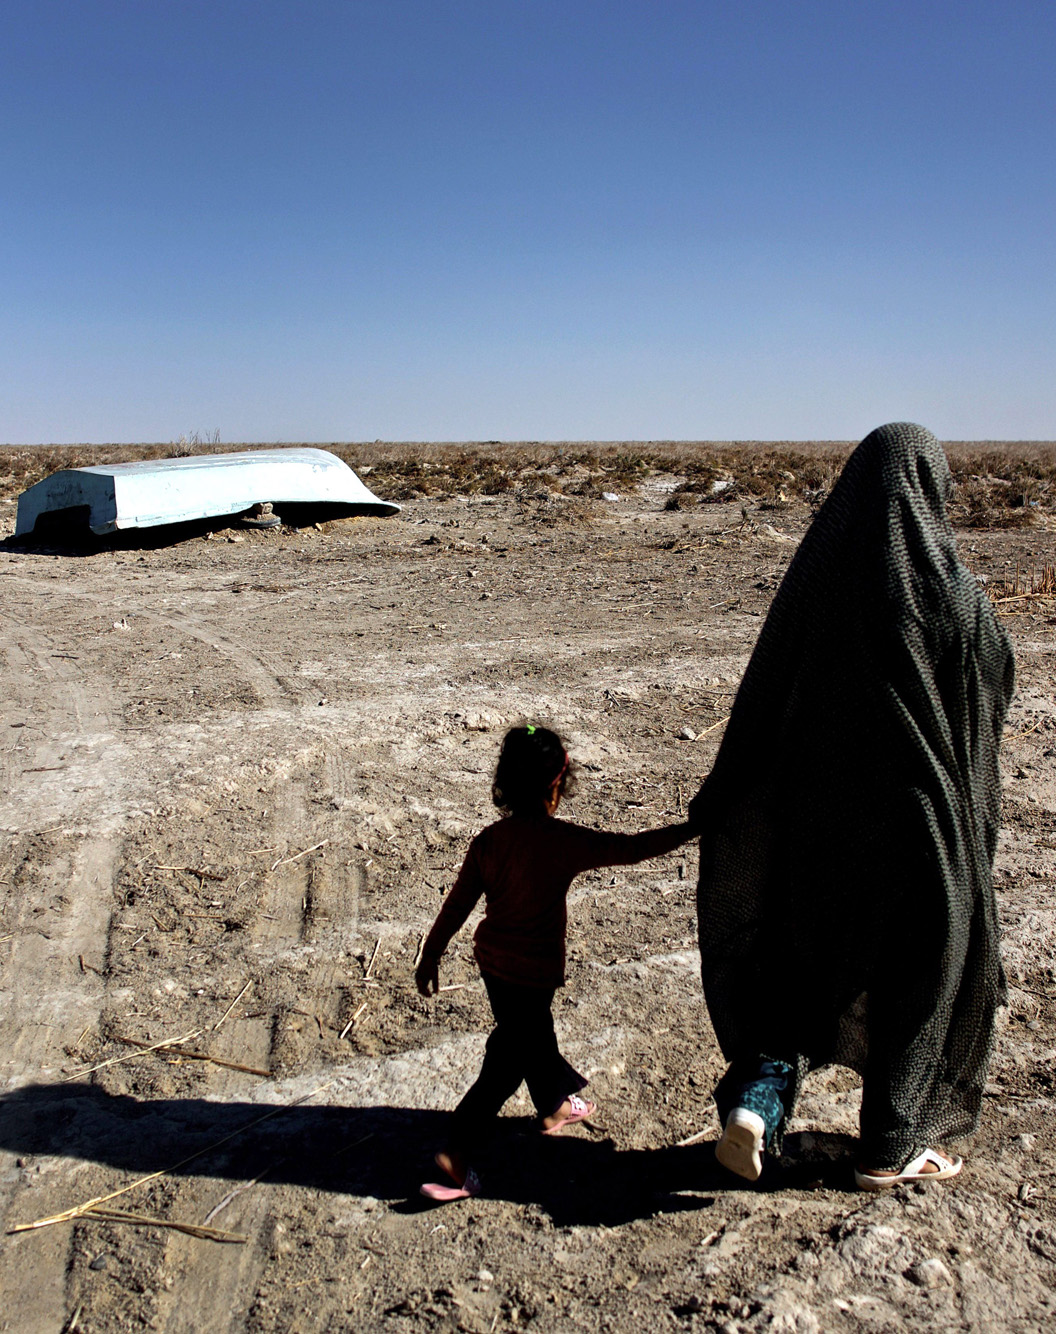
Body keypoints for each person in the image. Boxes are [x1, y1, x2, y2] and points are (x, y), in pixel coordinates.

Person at [691, 422, 1016, 1190]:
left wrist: (724, 794)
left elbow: (763, 695)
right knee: (920, 974)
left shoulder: (819, 585)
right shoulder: (956, 598)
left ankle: (756, 1108)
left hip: (815, 827)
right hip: (922, 831)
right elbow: (996, 679)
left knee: (800, 968)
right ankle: (892, 1143)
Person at [414, 724, 696, 1201]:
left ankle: (553, 1109)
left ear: (503, 784)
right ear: (556, 787)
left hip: (494, 965)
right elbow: (630, 849)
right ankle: (457, 1151)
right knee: (507, 1059)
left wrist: (432, 952)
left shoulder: (488, 841)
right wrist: (691, 828)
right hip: (533, 970)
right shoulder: (563, 841)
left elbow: (457, 905)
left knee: (529, 1037)